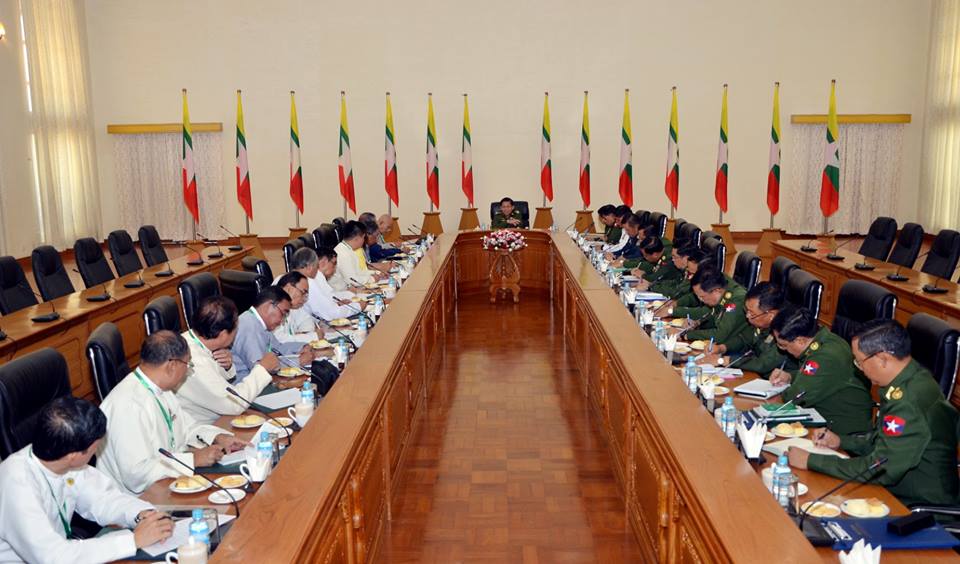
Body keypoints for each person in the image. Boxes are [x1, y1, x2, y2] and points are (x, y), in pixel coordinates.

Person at [788, 320, 959, 507]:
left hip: (914, 505)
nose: (859, 368)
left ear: (883, 359)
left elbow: (881, 468)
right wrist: (841, 441)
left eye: (859, 362)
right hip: (899, 491)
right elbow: (884, 441)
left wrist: (812, 461)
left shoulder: (907, 404)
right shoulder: (913, 378)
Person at [0, 397, 173, 563]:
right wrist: (133, 541)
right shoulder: (17, 485)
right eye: (95, 448)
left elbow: (104, 499)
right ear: (74, 456)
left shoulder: (60, 458)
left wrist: (142, 514)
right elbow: (53, 557)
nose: (96, 452)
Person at [98, 331, 246, 494]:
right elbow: (136, 474)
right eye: (188, 365)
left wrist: (218, 437)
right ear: (172, 366)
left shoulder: (161, 388)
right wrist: (193, 460)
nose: (188, 371)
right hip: (140, 499)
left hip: (168, 483)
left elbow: (187, 427)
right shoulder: (128, 405)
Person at [769, 307, 873, 437]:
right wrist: (790, 376)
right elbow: (820, 376)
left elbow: (795, 397)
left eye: (783, 345)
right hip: (823, 418)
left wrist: (775, 395)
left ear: (800, 341)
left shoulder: (824, 356)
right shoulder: (825, 339)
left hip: (841, 432)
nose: (782, 349)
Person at [176, 296, 281, 425]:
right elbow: (234, 404)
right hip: (205, 426)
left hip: (217, 416)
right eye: (236, 329)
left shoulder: (194, 340)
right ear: (223, 334)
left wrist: (227, 367)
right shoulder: (193, 360)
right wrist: (262, 369)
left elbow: (216, 383)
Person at [699, 282, 795, 376]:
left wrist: (722, 360)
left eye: (752, 313)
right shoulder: (762, 321)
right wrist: (722, 348)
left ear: (771, 315)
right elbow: (745, 338)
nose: (747, 316)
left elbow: (763, 364)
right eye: (746, 311)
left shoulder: (785, 329)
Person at [232, 286, 314, 382]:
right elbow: (261, 368)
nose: (282, 321)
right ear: (269, 305)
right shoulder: (248, 326)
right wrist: (298, 361)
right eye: (283, 314)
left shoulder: (259, 323)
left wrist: (302, 347)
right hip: (246, 385)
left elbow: (277, 348)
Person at [681, 269, 753, 351]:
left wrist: (688, 335)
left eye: (702, 296)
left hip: (737, 350)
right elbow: (716, 316)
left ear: (716, 291)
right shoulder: (722, 293)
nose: (701, 300)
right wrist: (697, 323)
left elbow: (720, 335)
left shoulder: (735, 301)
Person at [330, 220, 380, 290]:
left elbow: (359, 272)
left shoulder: (349, 249)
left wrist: (375, 273)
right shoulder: (342, 253)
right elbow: (352, 280)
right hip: (341, 292)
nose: (364, 240)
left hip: (351, 289)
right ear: (357, 238)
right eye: (363, 237)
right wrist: (372, 279)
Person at [272, 270, 317, 343]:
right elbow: (279, 340)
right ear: (288, 288)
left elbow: (306, 320)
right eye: (303, 292)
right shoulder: (273, 306)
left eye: (306, 295)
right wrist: (312, 337)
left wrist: (302, 335)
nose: (304, 299)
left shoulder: (293, 306)